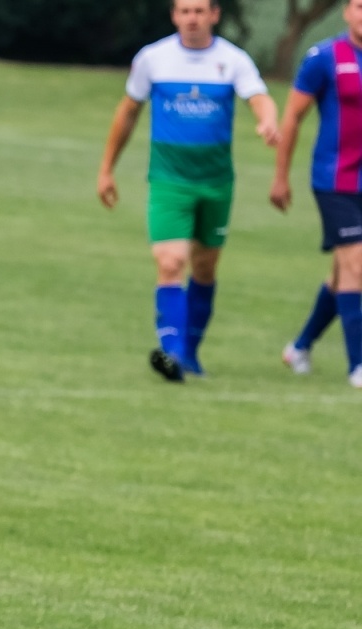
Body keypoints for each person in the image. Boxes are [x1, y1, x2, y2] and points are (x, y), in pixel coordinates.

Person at [97, 0, 277, 382]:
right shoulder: (153, 59)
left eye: (199, 11)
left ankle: (190, 352)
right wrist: (106, 169)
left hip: (215, 183)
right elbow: (128, 111)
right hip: (168, 181)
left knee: (205, 266)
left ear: (214, 15)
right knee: (170, 262)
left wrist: (267, 122)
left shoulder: (233, 60)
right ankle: (172, 354)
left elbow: (258, 97)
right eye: (184, 11)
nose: (191, 18)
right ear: (174, 16)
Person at [270, 0, 362, 389]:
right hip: (335, 181)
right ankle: (358, 366)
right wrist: (280, 176)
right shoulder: (323, 58)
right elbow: (292, 117)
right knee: (358, 267)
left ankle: (300, 347)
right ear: (346, 11)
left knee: (343, 273)